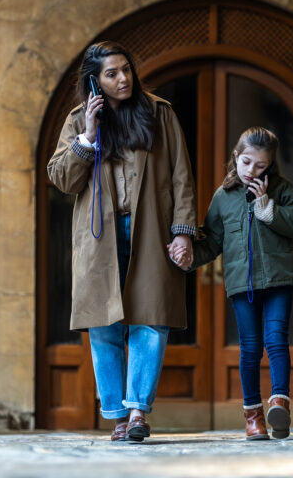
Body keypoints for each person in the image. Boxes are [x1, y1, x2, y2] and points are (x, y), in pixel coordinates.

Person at [47, 41, 196, 443]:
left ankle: (136, 414)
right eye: (111, 73)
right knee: (104, 324)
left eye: (126, 69)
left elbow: (182, 174)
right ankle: (115, 415)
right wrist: (89, 136)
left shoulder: (159, 113)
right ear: (94, 81)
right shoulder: (79, 120)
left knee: (151, 319)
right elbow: (62, 180)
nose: (123, 78)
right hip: (100, 238)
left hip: (151, 230)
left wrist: (183, 232)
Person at [170, 127, 293, 440]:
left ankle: (279, 404)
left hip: (279, 280)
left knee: (276, 340)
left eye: (260, 166)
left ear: (270, 165)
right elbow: (212, 240)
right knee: (249, 348)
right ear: (236, 157)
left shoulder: (282, 189)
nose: (252, 171)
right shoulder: (223, 197)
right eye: (247, 162)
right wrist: (189, 255)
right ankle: (253, 417)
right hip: (241, 285)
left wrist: (268, 210)